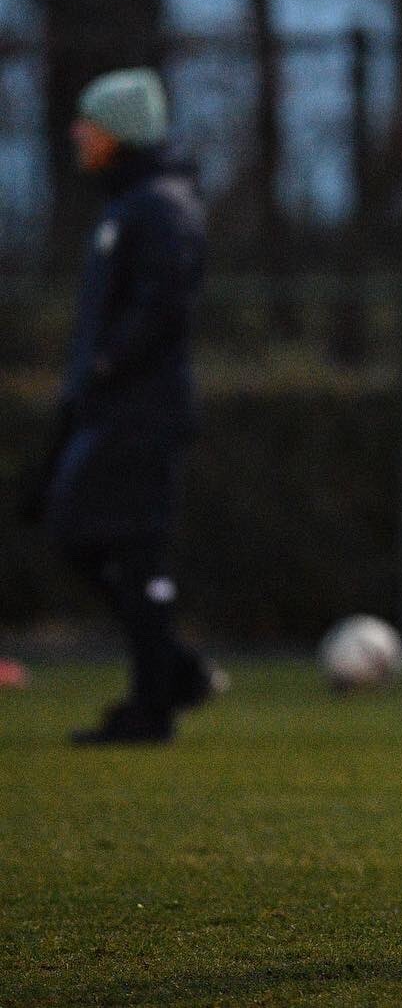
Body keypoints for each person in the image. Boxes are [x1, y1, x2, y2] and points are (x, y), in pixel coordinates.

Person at [18, 68, 222, 745]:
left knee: (128, 548)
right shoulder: (132, 203)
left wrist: (106, 365)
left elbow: (164, 304)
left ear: (121, 130)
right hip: (112, 407)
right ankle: (171, 675)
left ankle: (154, 701)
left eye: (91, 122)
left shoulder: (159, 205)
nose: (78, 132)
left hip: (140, 411)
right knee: (80, 531)